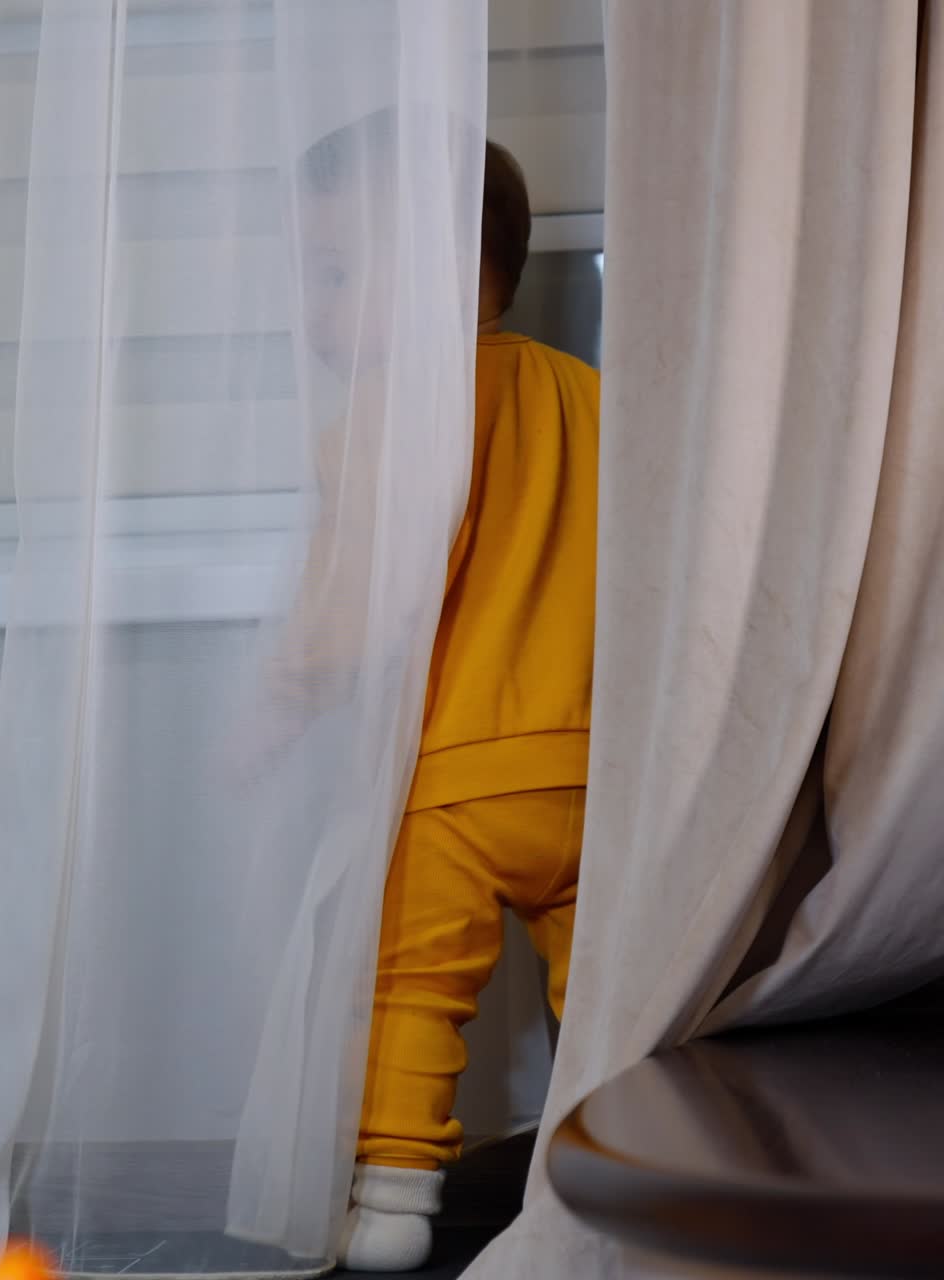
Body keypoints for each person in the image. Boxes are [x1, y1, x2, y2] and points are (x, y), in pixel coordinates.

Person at [245, 119, 598, 1269]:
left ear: (454, 265)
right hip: (594, 770)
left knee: (405, 984)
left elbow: (360, 582)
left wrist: (285, 694)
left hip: (454, 773)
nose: (315, 307)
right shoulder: (584, 397)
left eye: (339, 273)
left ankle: (393, 1198)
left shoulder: (390, 417)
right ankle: (618, 1181)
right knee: (603, 994)